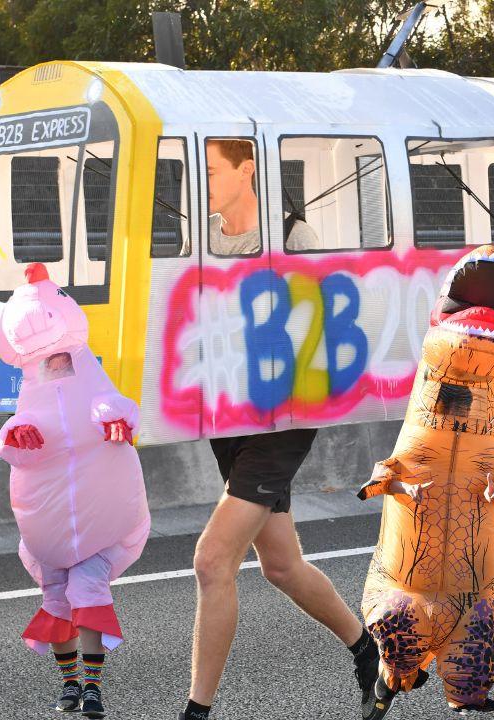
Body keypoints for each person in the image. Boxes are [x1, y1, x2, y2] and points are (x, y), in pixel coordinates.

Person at [182, 141, 378, 720]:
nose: (205, 182)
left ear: (248, 170)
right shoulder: (202, 241)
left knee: (212, 560)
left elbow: (321, 323)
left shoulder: (292, 235)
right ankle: (367, 651)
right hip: (230, 415)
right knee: (281, 564)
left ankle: (197, 712)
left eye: (212, 170)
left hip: (283, 417)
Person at [358, 246, 494, 719]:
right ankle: (386, 687)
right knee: (399, 647)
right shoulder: (426, 408)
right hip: (407, 585)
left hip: (471, 592)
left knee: (471, 684)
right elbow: (385, 474)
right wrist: (393, 486)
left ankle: (424, 691)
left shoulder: (491, 426)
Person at [0, 263, 150, 719]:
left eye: (62, 360)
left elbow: (116, 406)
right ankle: (70, 684)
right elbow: (15, 433)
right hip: (51, 524)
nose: (57, 366)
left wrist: (120, 422)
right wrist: (16, 439)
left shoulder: (93, 383)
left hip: (102, 523)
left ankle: (95, 688)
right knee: (57, 596)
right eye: (50, 362)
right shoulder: (31, 396)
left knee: (87, 587)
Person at [205, 138, 317, 255]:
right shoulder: (199, 234)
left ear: (245, 170)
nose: (198, 184)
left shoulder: (294, 236)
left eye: (209, 174)